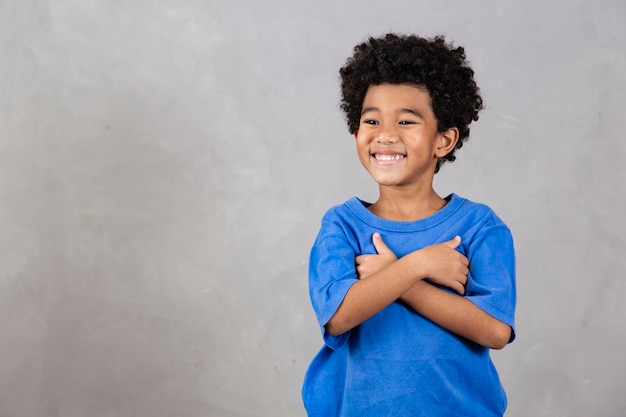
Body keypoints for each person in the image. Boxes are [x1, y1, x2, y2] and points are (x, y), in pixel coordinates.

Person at [302, 33, 517, 417]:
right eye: (371, 120)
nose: (385, 133)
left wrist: (399, 279)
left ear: (444, 140)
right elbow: (338, 318)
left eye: (406, 120)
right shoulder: (341, 226)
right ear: (356, 132)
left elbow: (495, 331)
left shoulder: (480, 226)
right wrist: (417, 265)